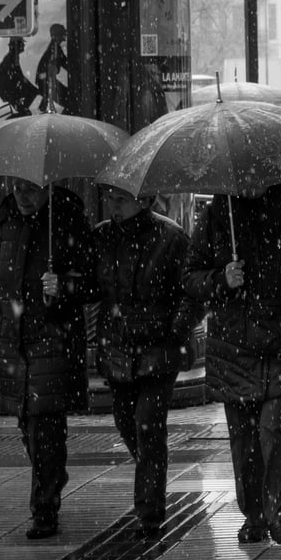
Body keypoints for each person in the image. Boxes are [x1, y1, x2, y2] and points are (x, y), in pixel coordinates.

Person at [183, 182, 281, 546]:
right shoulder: (217, 216)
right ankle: (254, 515)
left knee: (276, 429)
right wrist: (222, 279)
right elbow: (191, 276)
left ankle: (280, 514)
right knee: (244, 437)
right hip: (235, 344)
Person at [0, 178, 94, 540]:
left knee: (45, 426)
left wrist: (65, 286)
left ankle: (44, 506)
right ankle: (50, 476)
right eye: (18, 188)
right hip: (12, 340)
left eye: (31, 190)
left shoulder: (67, 218)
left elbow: (92, 278)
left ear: (48, 187)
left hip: (51, 337)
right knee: (27, 422)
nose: (23, 196)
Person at [90, 186, 205, 536]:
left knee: (147, 424)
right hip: (119, 349)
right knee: (127, 422)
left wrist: (176, 328)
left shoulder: (170, 238)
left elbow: (192, 291)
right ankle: (150, 475)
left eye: (120, 200)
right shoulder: (102, 237)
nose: (113, 206)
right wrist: (61, 287)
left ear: (142, 200)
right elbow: (90, 287)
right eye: (109, 199)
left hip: (159, 350)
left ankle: (150, 512)